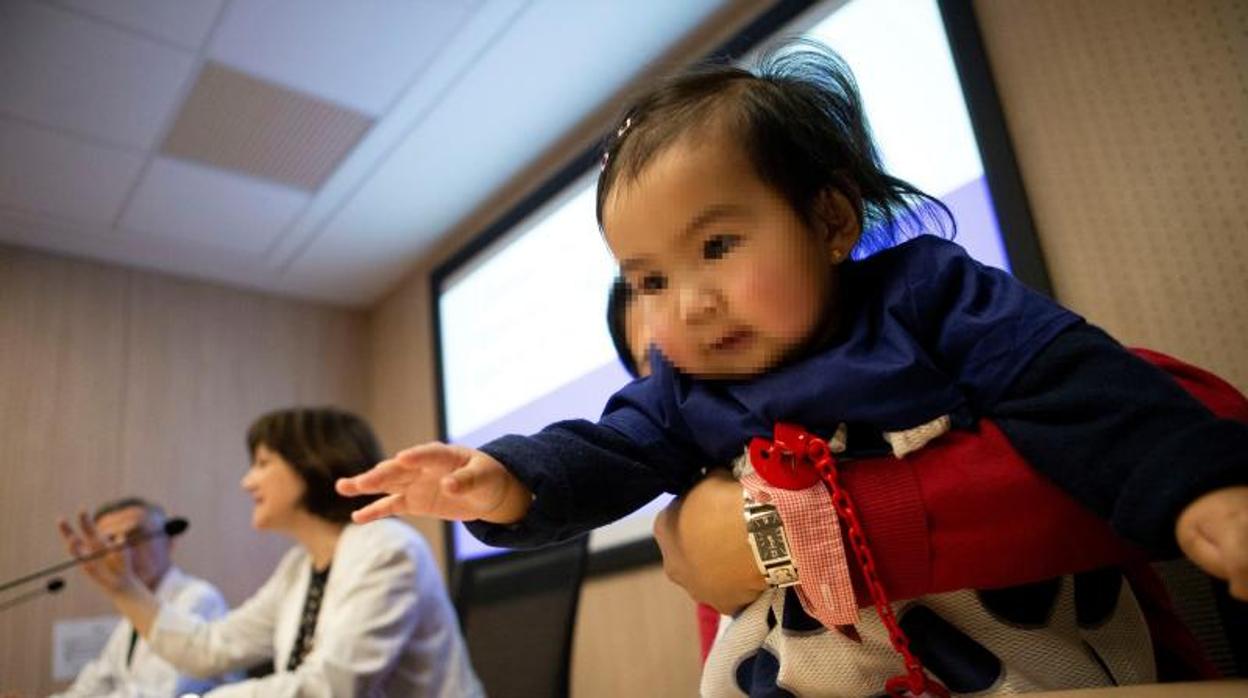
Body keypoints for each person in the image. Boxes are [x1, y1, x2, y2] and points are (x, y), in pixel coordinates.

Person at [338, 43, 1248, 692]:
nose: (686, 305)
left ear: (830, 223)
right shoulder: (685, 395)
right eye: (648, 279)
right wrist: (501, 480)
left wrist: (1200, 493)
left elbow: (1079, 384)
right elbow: (604, 451)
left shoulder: (929, 296)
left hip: (1030, 658)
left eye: (720, 244)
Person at [59, 407, 482, 697]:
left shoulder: (387, 547)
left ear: (314, 462)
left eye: (262, 463)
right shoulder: (298, 567)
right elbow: (210, 647)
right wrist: (123, 589)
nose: (247, 482)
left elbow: (332, 687)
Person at [51, 497, 233, 698]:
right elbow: (98, 682)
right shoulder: (134, 610)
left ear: (170, 541)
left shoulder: (200, 599)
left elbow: (155, 692)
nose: (122, 552)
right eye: (109, 542)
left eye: (136, 537)